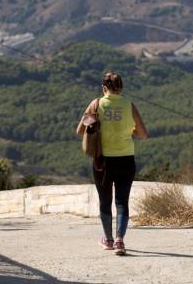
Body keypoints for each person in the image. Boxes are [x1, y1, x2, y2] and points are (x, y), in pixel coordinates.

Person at [76, 72, 148, 256]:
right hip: (126, 159)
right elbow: (143, 134)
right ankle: (120, 242)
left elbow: (80, 130)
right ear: (121, 88)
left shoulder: (96, 104)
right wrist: (126, 130)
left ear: (104, 88)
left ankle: (108, 240)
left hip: (103, 161)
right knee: (122, 202)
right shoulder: (129, 105)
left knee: (105, 201)